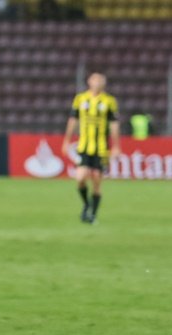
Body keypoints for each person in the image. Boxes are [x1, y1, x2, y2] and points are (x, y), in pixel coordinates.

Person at [61, 72, 120, 224]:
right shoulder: (80, 99)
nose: (97, 82)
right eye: (95, 79)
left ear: (104, 83)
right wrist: (66, 141)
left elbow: (114, 125)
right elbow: (73, 120)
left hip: (101, 148)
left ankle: (92, 214)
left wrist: (116, 146)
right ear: (89, 82)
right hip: (84, 146)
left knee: (96, 181)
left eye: (100, 80)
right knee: (80, 178)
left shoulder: (109, 101)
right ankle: (87, 204)